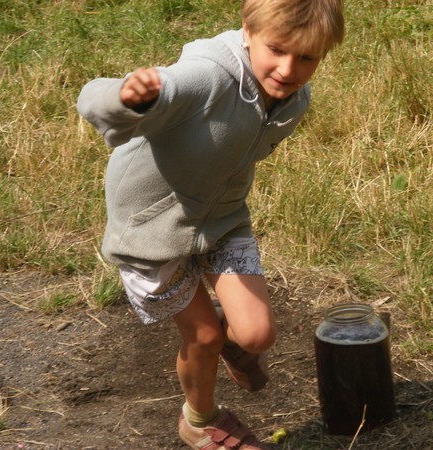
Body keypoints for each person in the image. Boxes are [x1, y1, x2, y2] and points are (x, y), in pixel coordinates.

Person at [77, 0, 344, 448]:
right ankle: (199, 420)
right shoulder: (206, 78)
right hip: (151, 228)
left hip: (222, 218)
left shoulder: (294, 100)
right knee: (202, 336)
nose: (287, 69)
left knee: (256, 335)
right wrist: (126, 98)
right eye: (277, 50)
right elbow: (91, 96)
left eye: (306, 57)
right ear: (247, 30)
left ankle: (228, 334)